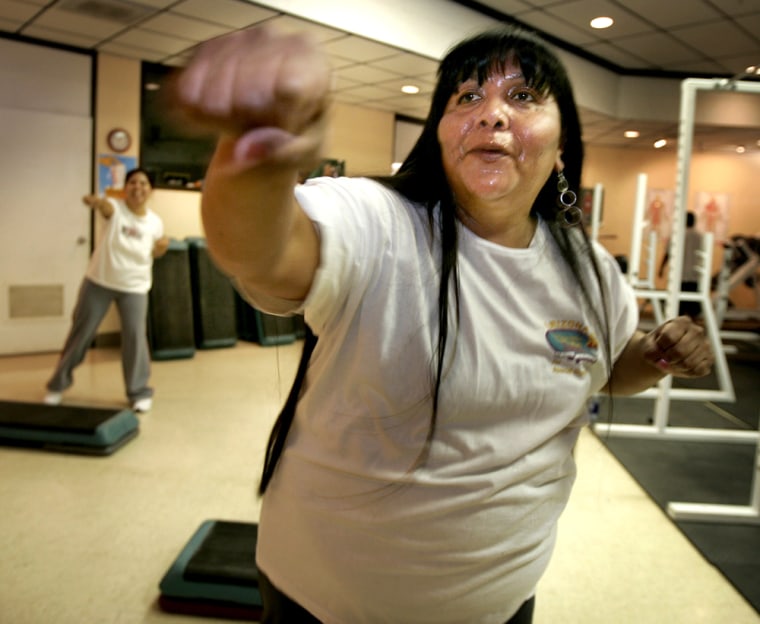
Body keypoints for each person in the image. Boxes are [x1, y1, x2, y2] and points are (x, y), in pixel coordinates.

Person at [174, 25, 714, 624]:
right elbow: (264, 254)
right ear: (439, 136)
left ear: (562, 148)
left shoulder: (590, 271)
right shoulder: (381, 224)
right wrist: (257, 144)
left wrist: (659, 355)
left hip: (501, 601)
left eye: (524, 97)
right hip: (323, 597)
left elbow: (606, 370)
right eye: (467, 98)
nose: (492, 115)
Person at [45, 167, 169, 412]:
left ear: (150, 190)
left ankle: (139, 392)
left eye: (144, 183)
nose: (138, 187)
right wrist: (97, 202)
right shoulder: (115, 208)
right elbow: (105, 208)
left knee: (135, 338)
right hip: (99, 282)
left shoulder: (155, 222)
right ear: (125, 188)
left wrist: (162, 246)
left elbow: (156, 251)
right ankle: (57, 385)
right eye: (133, 182)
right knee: (80, 335)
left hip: (134, 286)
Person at [658, 211, 704, 318]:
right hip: (693, 276)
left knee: (678, 306)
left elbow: (668, 253)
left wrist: (661, 268)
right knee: (692, 307)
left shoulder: (677, 235)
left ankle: (677, 326)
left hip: (679, 276)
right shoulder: (699, 236)